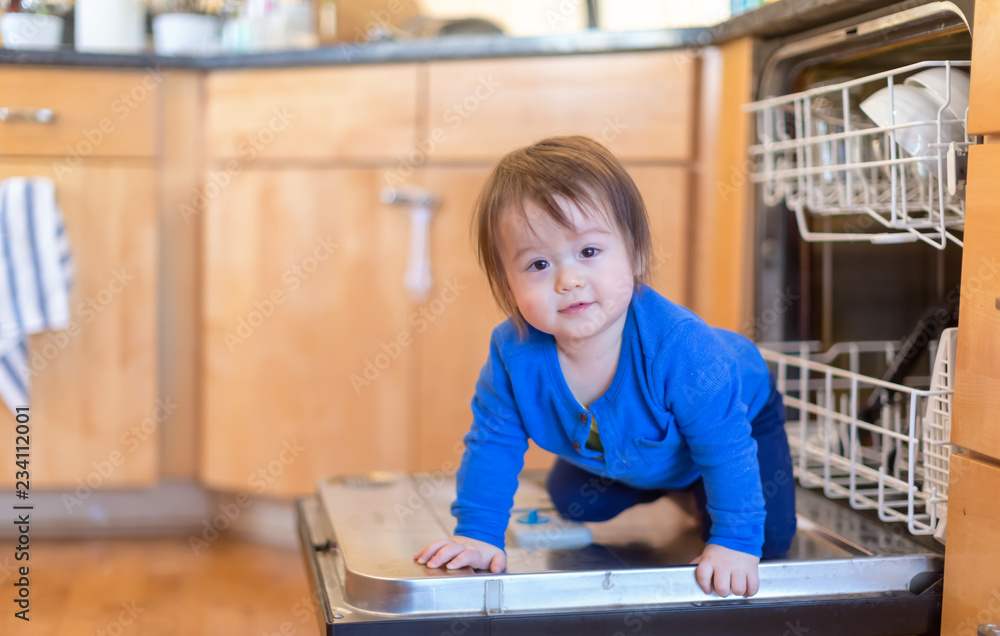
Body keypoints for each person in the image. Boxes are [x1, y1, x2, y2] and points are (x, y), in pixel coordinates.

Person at [413, 135, 796, 598]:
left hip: (739, 417)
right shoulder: (512, 352)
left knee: (767, 542)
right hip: (638, 451)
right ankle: (672, 482)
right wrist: (477, 534)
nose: (568, 280)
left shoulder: (682, 347)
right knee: (573, 502)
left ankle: (693, 484)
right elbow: (492, 442)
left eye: (589, 252)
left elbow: (726, 446)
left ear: (634, 253)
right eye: (537, 264)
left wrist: (734, 542)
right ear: (505, 282)